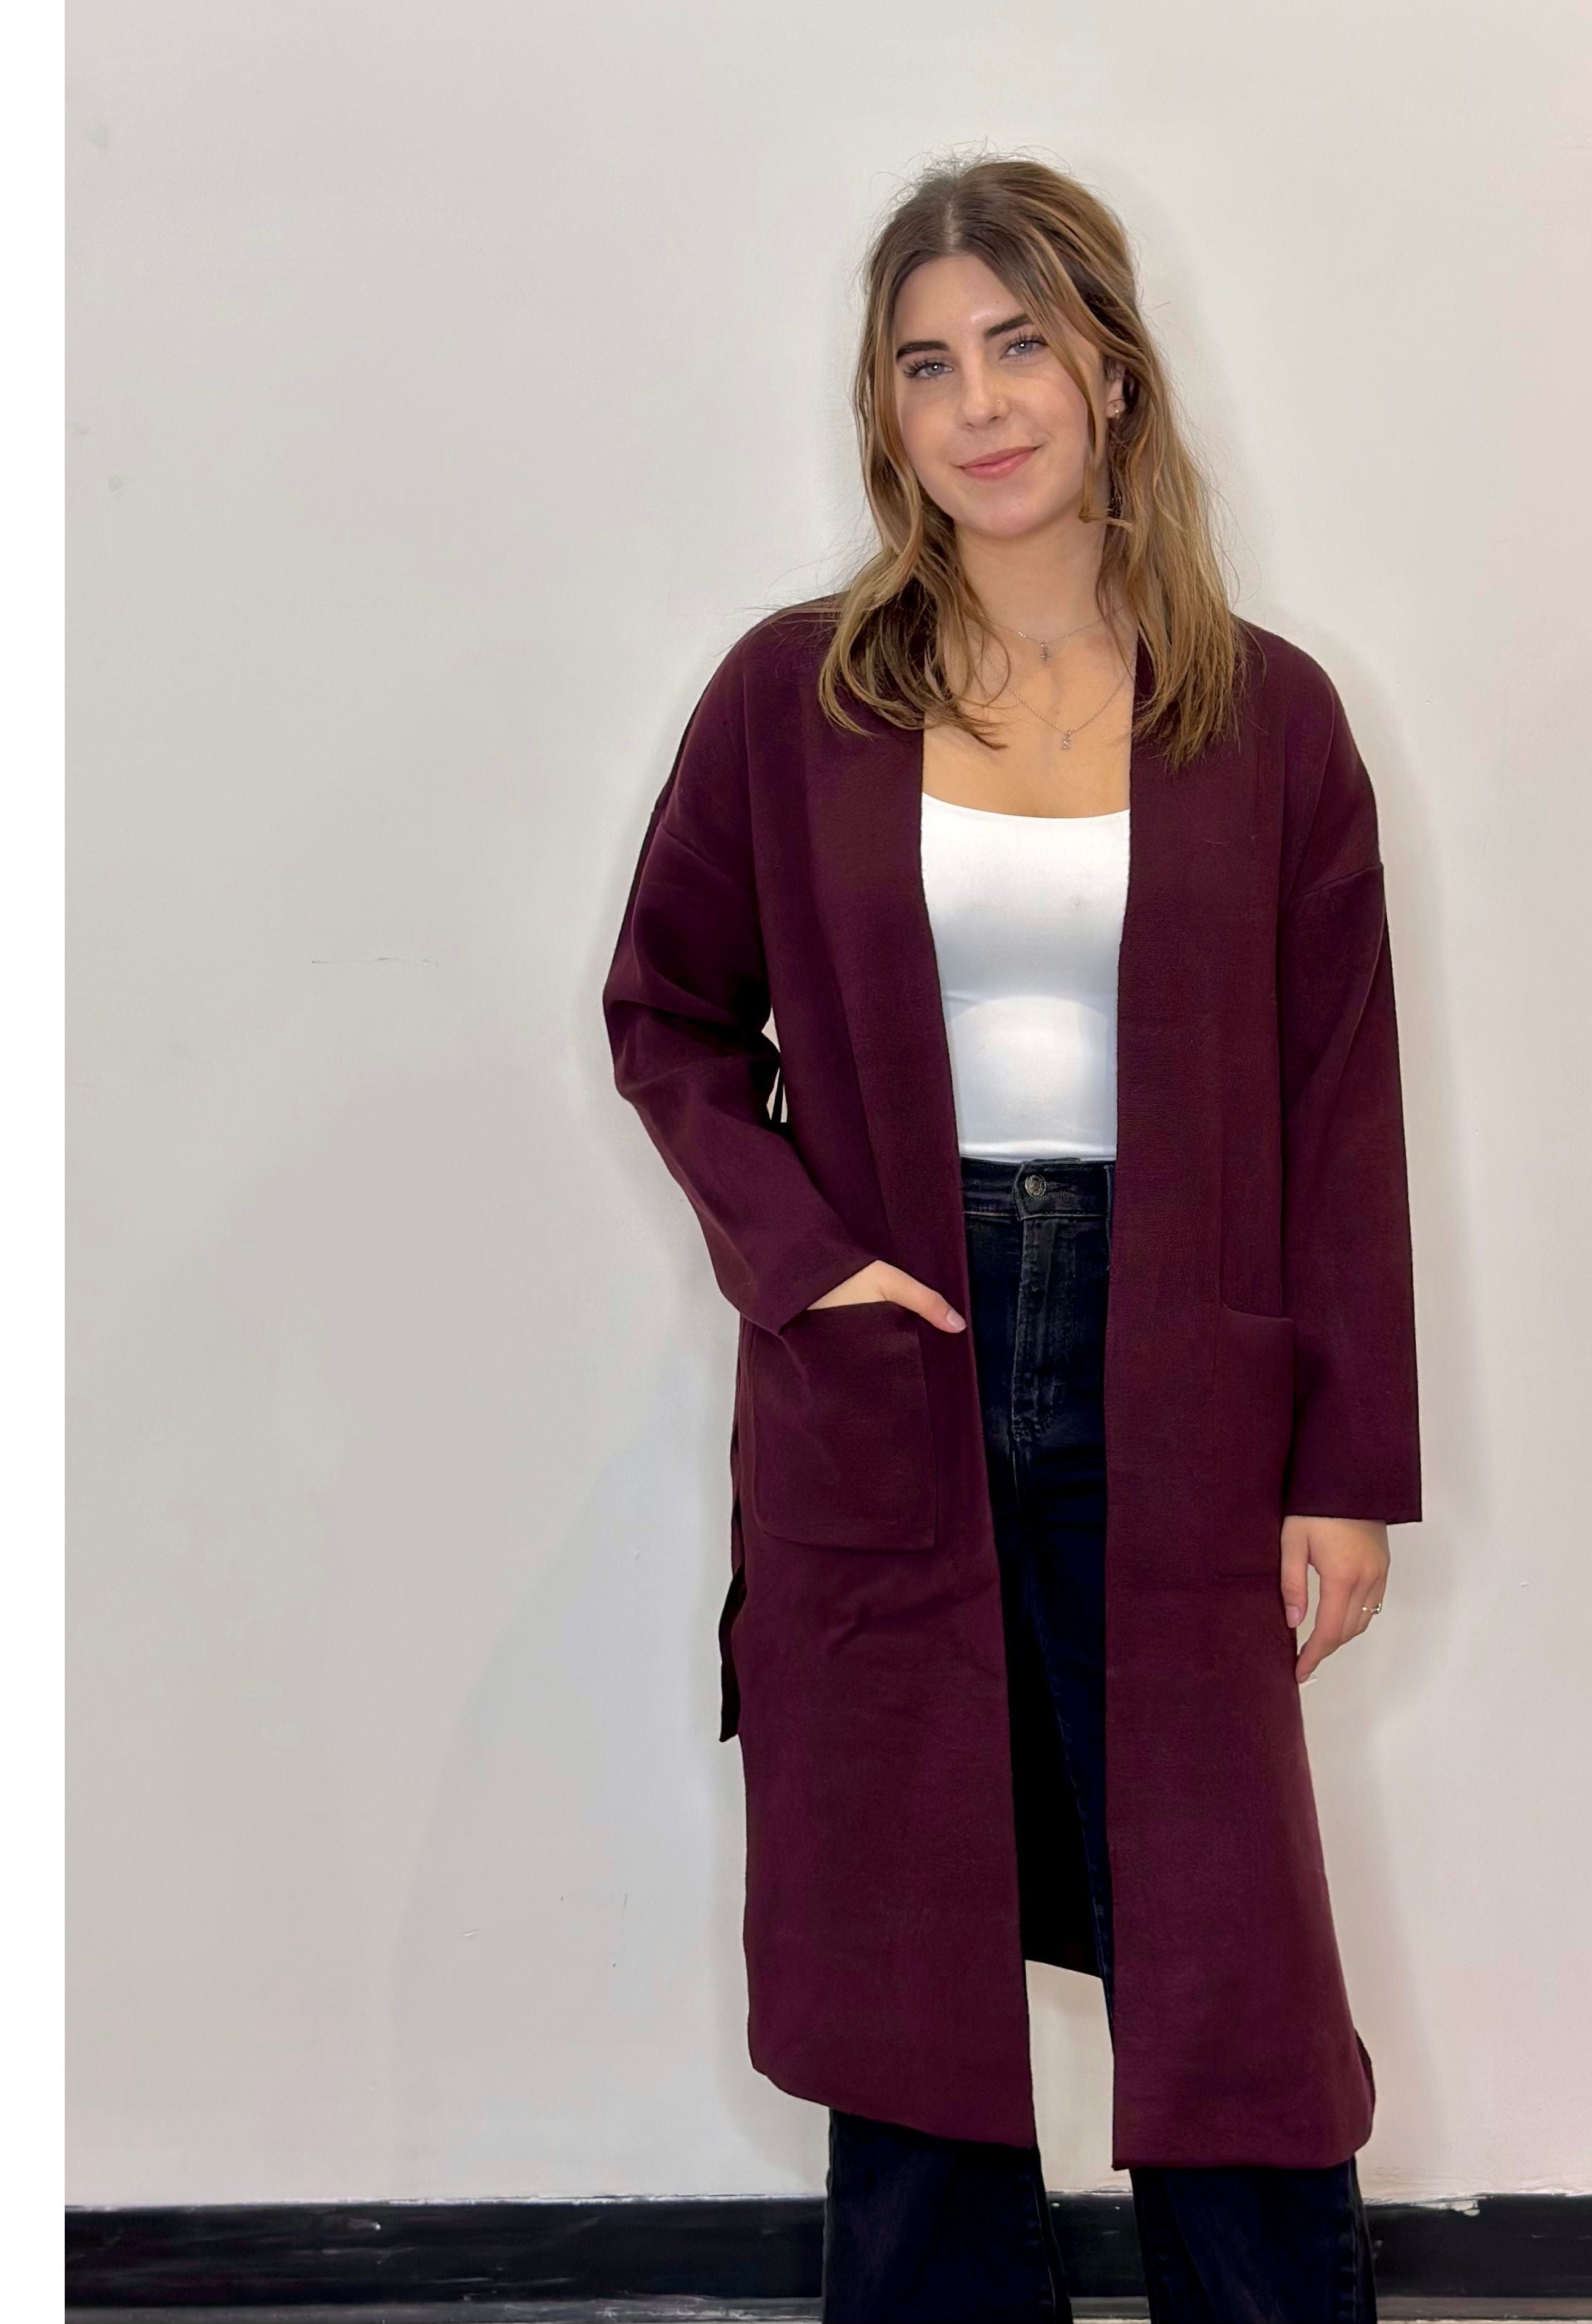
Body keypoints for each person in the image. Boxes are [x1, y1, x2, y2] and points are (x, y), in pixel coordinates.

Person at [602, 154, 1419, 2324]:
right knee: (911, 1975)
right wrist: (808, 1264)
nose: (978, 403)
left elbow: (1338, 1106)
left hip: (1179, 1361)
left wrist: (1345, 1461)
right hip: (900, 1351)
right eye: (925, 363)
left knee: (1227, 1972)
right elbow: (666, 1014)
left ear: (1112, 375)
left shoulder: (1267, 716)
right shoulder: (793, 698)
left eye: (1020, 345)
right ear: (882, 411)